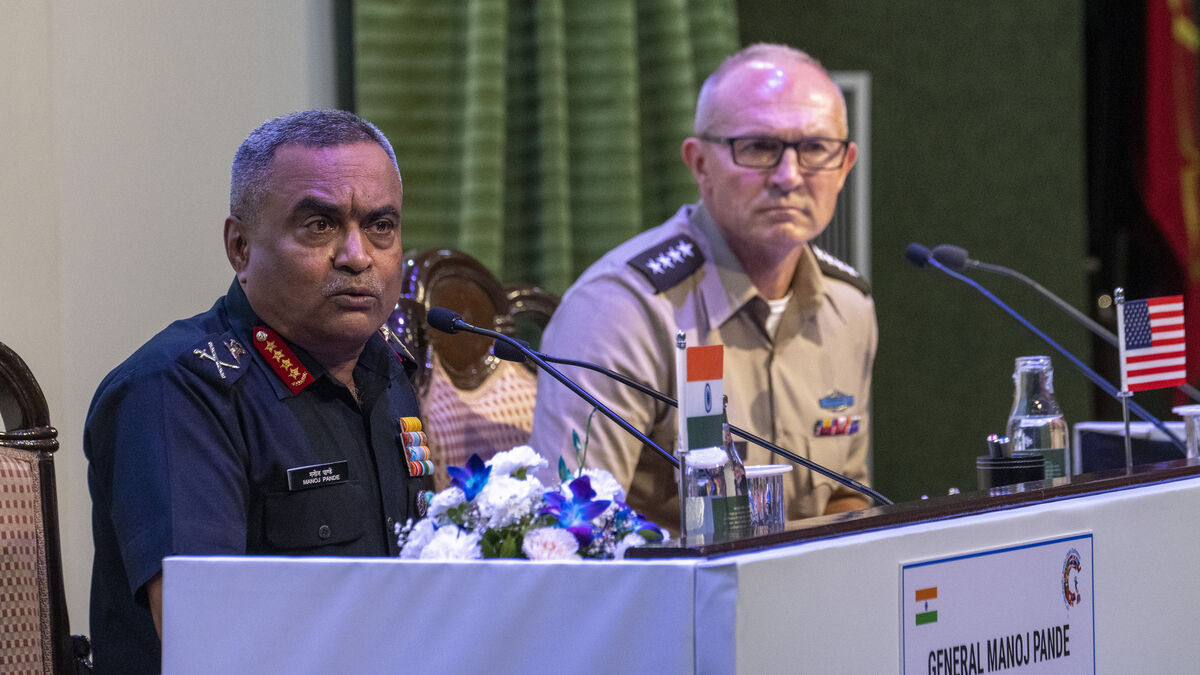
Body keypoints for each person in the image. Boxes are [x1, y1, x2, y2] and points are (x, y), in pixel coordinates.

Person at [84, 110, 426, 673]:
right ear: (240, 247)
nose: (357, 255)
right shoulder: (176, 390)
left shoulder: (384, 370)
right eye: (320, 225)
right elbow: (206, 638)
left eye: (381, 225)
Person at [529, 44, 877, 530]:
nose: (789, 176)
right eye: (758, 147)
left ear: (845, 165)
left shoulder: (849, 308)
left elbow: (845, 499)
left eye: (816, 148)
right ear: (699, 163)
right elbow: (574, 532)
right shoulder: (621, 310)